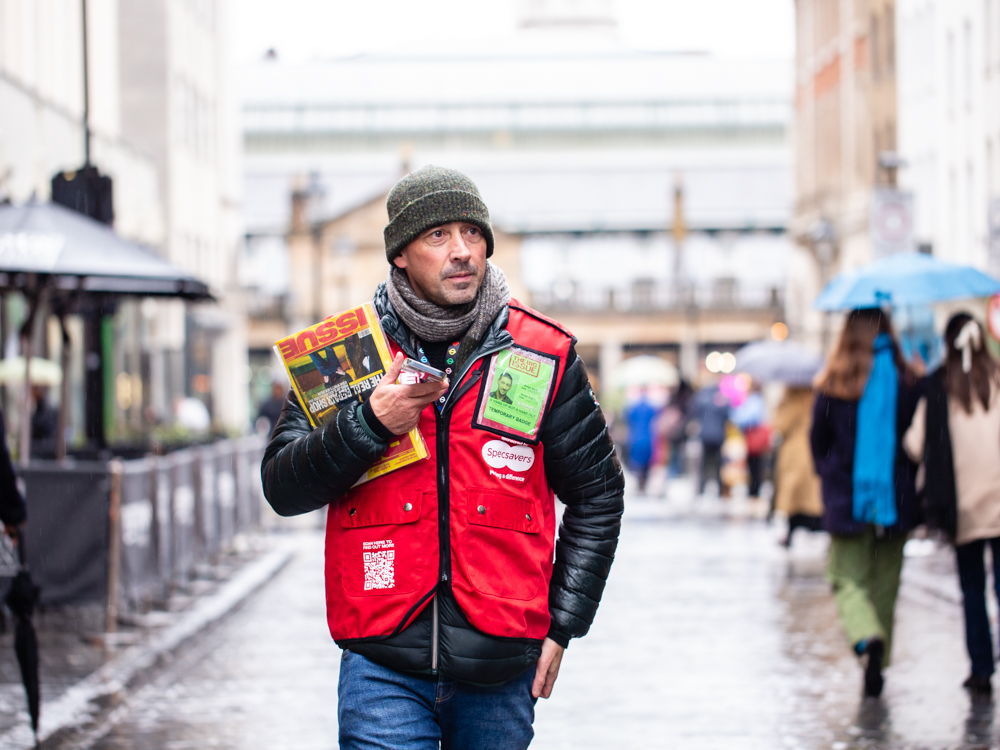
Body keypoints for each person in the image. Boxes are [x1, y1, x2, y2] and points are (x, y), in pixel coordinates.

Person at [261, 166, 624, 749]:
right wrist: (370, 423)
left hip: (501, 662)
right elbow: (282, 487)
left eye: (472, 234)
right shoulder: (345, 354)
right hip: (382, 656)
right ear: (400, 254)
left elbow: (598, 495)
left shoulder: (542, 352)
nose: (461, 252)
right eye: (438, 236)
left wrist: (564, 625)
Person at [810, 307, 922, 698]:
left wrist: (833, 473)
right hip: (899, 497)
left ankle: (866, 636)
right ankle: (880, 661)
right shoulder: (909, 379)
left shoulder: (834, 382)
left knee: (846, 577)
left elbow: (818, 443)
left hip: (847, 497)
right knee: (886, 583)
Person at [902, 313, 1000, 696]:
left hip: (962, 505)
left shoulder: (940, 386)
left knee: (972, 588)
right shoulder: (997, 378)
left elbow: (914, 444)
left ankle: (980, 666)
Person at [771, 386, 823, 546]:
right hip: (815, 448)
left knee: (793, 497)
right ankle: (817, 526)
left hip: (794, 451)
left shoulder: (791, 396)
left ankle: (791, 531)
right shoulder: (818, 393)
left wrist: (780, 406)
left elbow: (781, 425)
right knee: (813, 496)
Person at [689, 382, 730, 495]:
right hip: (718, 435)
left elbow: (694, 413)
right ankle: (719, 488)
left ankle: (702, 487)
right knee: (718, 463)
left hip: (705, 434)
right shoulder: (721, 399)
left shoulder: (702, 398)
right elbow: (727, 415)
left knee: (704, 463)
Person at [731, 382, 769, 498]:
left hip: (753, 438)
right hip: (752, 437)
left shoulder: (754, 400)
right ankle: (754, 489)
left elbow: (747, 418)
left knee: (754, 466)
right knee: (755, 466)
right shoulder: (757, 400)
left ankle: (754, 490)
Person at [624, 388, 658, 493]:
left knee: (637, 462)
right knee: (646, 462)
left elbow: (627, 419)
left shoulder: (633, 407)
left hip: (635, 437)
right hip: (648, 437)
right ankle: (644, 483)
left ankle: (640, 483)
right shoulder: (651, 407)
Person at [30, 385, 57, 458]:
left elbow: (43, 424)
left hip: (44, 446)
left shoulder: (44, 406)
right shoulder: (40, 405)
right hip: (42, 445)